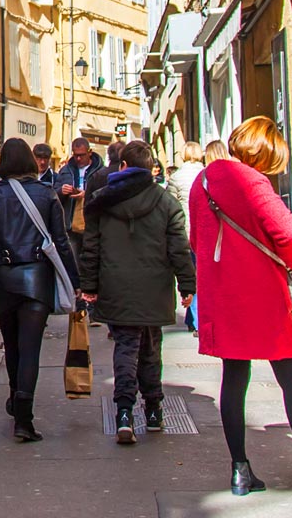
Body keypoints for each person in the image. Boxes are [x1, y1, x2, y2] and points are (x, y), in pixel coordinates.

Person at [190, 117, 292, 499]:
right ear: (265, 153)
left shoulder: (203, 181)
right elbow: (288, 232)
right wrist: (289, 263)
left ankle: (240, 470)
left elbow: (196, 239)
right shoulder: (253, 181)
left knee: (233, 380)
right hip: (261, 294)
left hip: (222, 294)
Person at [0, 138, 79, 444]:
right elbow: (61, 242)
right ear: (30, 162)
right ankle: (24, 416)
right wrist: (76, 282)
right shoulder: (46, 194)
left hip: (2, 279)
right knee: (30, 347)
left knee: (12, 344)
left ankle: (14, 395)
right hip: (36, 277)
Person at [81, 139, 194, 446]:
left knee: (126, 347)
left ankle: (125, 413)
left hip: (116, 284)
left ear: (124, 166)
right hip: (154, 285)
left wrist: (89, 286)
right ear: (150, 169)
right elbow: (178, 248)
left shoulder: (102, 201)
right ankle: (154, 409)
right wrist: (187, 284)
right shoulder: (165, 201)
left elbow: (91, 248)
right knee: (151, 347)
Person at [167, 141, 205, 333]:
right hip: (205, 233)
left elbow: (170, 206)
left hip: (184, 233)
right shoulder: (207, 174)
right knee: (202, 277)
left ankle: (195, 320)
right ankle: (196, 319)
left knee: (190, 276)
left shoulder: (176, 177)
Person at [55, 137, 104, 266]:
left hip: (91, 224)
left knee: (91, 260)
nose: (78, 159)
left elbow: (105, 193)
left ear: (90, 152)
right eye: (75, 155)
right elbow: (54, 194)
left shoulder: (100, 171)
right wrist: (61, 191)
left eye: (81, 155)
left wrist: (86, 194)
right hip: (71, 225)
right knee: (73, 261)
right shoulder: (65, 170)